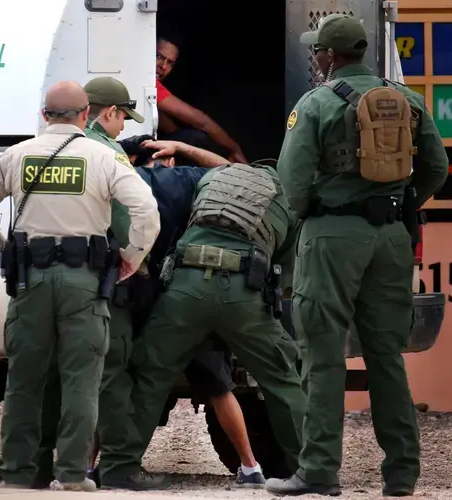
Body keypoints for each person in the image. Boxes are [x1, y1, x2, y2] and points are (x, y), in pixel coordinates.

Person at [264, 14, 449, 498]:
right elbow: (437, 166)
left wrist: (312, 219)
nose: (316, 58)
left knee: (322, 353)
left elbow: (293, 180)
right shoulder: (407, 101)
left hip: (331, 237)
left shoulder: (317, 103)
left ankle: (320, 470)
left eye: (318, 52)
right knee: (386, 354)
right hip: (391, 238)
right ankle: (402, 475)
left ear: (329, 56)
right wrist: (402, 204)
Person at [0, 80, 160, 492]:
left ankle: (17, 474)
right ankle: (71, 475)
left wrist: (3, 246)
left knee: (24, 381)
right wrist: (132, 257)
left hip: (30, 281)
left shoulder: (17, 155)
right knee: (81, 381)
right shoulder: (104, 157)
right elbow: (147, 211)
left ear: (45, 116)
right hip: (84, 284)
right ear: (86, 115)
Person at [101, 159, 307, 491]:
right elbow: (284, 272)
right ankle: (308, 468)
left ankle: (119, 466)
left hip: (185, 286)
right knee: (282, 379)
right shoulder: (285, 196)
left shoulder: (213, 178)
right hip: (244, 291)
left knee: (149, 374)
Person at [155, 35, 247, 163]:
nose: (164, 67)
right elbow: (200, 120)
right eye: (159, 56)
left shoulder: (153, 88)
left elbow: (169, 128)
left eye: (170, 63)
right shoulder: (151, 85)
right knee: (197, 138)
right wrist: (234, 148)